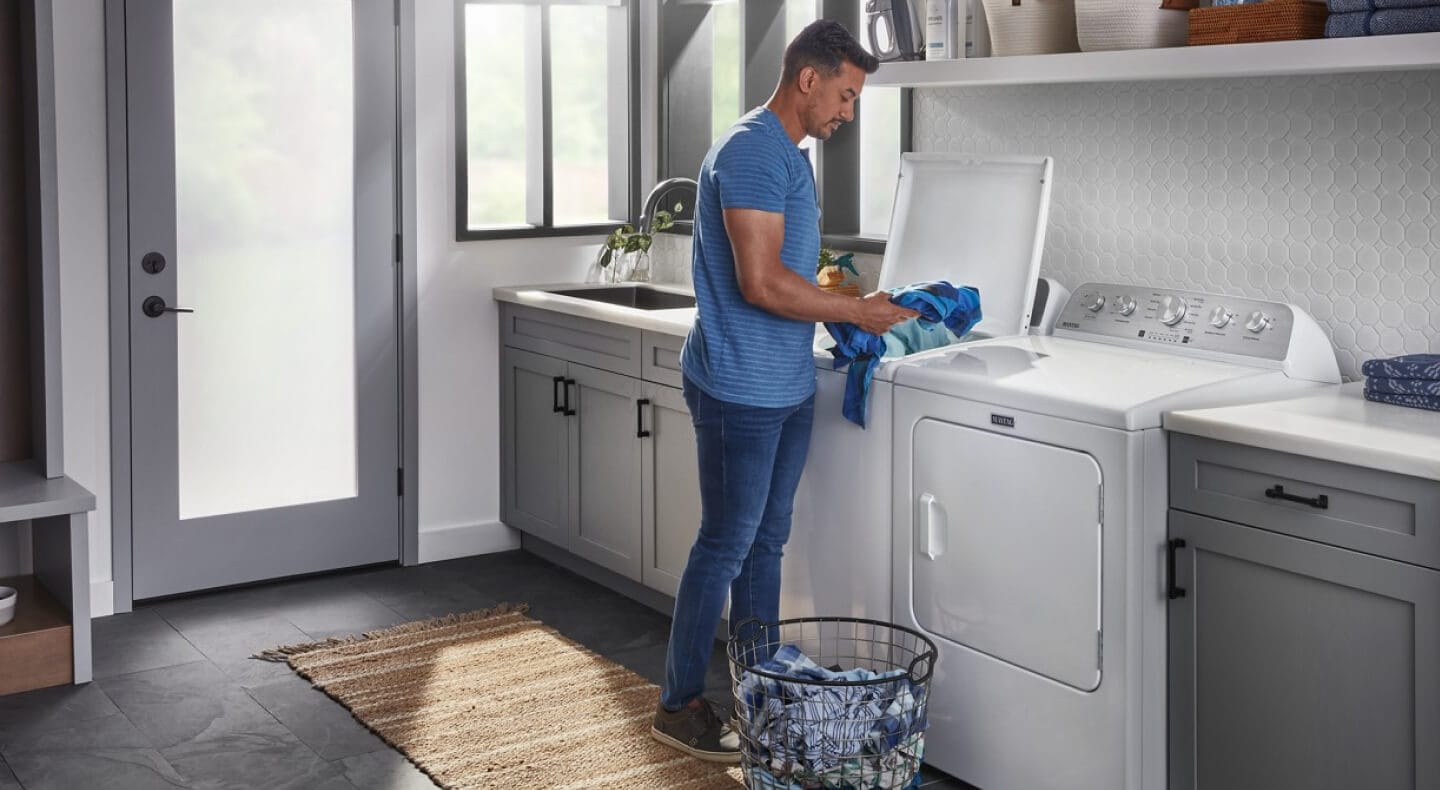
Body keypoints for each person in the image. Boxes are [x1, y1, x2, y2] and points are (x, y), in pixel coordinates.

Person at [650, 19, 919, 763]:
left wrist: (841, 285)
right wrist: (855, 312)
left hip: (786, 384)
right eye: (845, 94)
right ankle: (677, 705)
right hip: (739, 387)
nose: (848, 111)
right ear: (808, 79)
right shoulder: (751, 152)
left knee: (766, 544)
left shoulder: (789, 158)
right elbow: (761, 282)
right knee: (727, 544)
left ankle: (757, 688)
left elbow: (789, 260)